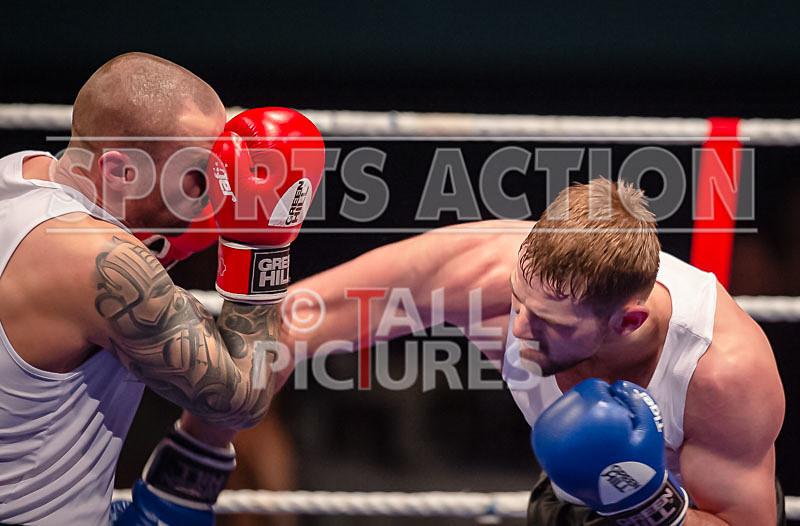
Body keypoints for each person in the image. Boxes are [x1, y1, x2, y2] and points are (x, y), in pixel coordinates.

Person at [279, 178, 785, 525]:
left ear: (627, 321)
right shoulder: (484, 270)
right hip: (563, 506)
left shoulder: (722, 373)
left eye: (547, 321)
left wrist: (646, 503)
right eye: (518, 298)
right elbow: (298, 320)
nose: (519, 328)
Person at [0, 52, 324, 525]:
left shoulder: (18, 176)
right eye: (199, 175)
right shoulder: (97, 260)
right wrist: (262, 244)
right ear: (119, 171)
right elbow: (241, 399)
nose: (216, 191)